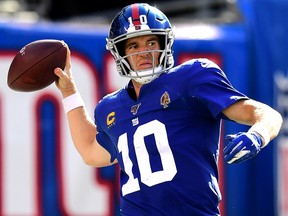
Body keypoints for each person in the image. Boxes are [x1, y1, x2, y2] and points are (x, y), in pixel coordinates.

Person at [54, 3, 283, 216]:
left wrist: (257, 135)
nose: (143, 52)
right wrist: (69, 91)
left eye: (151, 43)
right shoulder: (110, 108)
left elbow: (268, 115)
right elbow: (90, 152)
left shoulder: (192, 77)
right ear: (120, 53)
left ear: (165, 44)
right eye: (133, 45)